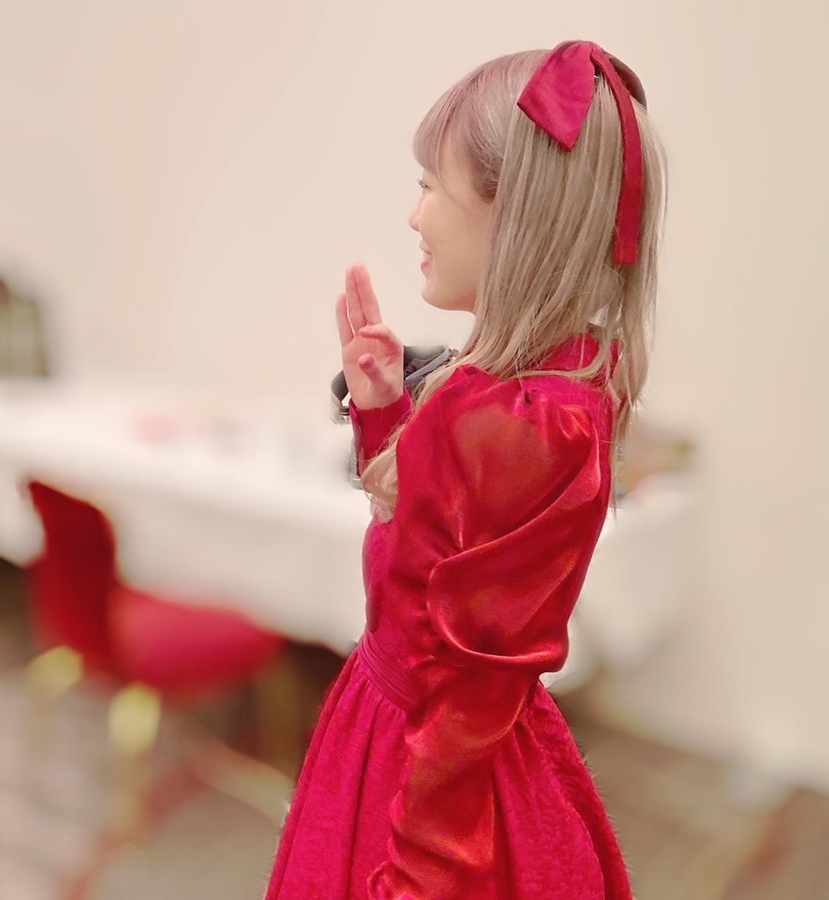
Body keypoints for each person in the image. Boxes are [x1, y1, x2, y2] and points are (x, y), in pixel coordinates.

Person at [265, 40, 666, 899]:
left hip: (422, 768)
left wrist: (421, 871)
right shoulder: (550, 389)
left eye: (429, 185)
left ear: (511, 212)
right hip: (415, 734)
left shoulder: (509, 420)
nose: (414, 216)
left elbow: (467, 689)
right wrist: (384, 411)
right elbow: (427, 559)